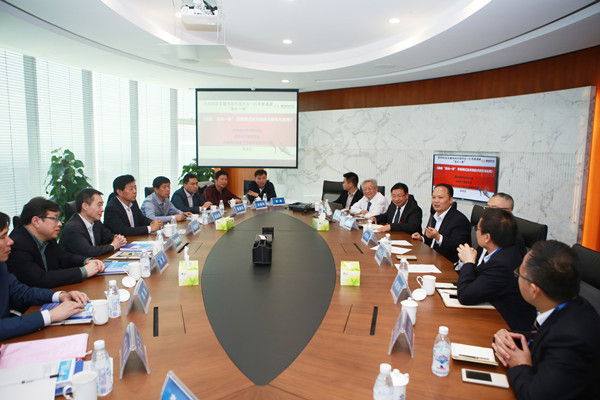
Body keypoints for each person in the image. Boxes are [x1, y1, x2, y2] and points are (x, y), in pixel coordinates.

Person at [492, 240, 600, 400]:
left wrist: (520, 365)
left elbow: (535, 395)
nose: (517, 277)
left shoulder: (572, 341)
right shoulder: (573, 304)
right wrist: (507, 336)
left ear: (534, 290)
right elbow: (542, 336)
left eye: (519, 273)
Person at [0, 212, 89, 341]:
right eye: (3, 237)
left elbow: (22, 293)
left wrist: (61, 296)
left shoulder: (1, 266)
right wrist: (50, 316)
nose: (10, 241)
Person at [456, 208, 536, 330]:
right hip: (492, 311)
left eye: (477, 229)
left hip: (508, 328)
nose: (476, 232)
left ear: (487, 237)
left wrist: (469, 262)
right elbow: (478, 279)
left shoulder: (502, 264)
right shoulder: (502, 251)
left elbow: (465, 296)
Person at [7, 197, 105, 288]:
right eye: (55, 219)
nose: (59, 224)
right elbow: (40, 279)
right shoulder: (17, 244)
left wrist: (87, 261)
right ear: (36, 221)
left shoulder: (48, 236)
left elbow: (65, 257)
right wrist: (83, 271)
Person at [411, 184, 471, 263]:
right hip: (430, 257)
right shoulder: (435, 215)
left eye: (440, 197)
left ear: (450, 200)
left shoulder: (459, 220)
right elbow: (432, 241)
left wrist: (438, 237)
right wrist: (422, 238)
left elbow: (458, 246)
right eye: (434, 197)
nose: (436, 201)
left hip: (447, 263)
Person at [60, 188, 127, 257]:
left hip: (95, 261)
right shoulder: (73, 227)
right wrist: (113, 246)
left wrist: (117, 239)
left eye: (102, 205)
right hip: (78, 263)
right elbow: (89, 251)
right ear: (85, 206)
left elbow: (108, 237)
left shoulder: (96, 221)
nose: (102, 209)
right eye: (99, 205)